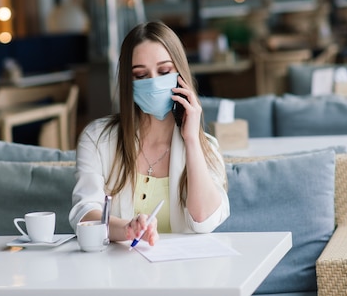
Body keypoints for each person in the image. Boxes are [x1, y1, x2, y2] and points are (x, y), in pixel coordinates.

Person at [69, 21, 229, 246]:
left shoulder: (206, 147)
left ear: (180, 74)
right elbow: (84, 213)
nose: (154, 83)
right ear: (128, 82)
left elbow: (204, 220)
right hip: (118, 273)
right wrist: (127, 229)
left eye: (164, 71)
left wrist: (192, 139)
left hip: (186, 275)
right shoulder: (97, 139)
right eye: (141, 75)